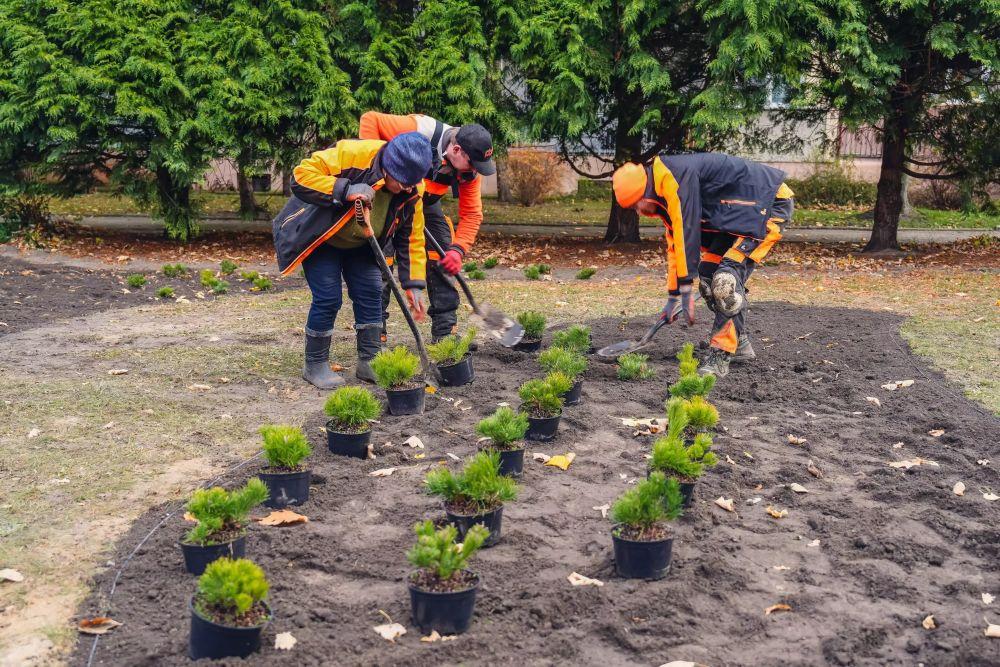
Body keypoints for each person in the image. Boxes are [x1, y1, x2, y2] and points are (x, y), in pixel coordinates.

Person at [611, 153, 795, 378]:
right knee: (707, 276)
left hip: (768, 204)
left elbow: (686, 228)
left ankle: (721, 354)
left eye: (635, 205)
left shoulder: (673, 178)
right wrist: (673, 295)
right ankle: (741, 343)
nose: (639, 211)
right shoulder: (664, 192)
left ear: (643, 192)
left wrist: (685, 288)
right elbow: (675, 243)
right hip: (739, 215)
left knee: (725, 281)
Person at [272, 132, 433, 389]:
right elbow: (301, 175)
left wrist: (413, 283)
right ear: (388, 168)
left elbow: (412, 237)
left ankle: (369, 360)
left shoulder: (413, 188)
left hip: (364, 243)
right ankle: (315, 364)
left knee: (371, 292)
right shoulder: (353, 154)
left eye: (412, 183)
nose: (407, 189)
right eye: (403, 182)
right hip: (323, 237)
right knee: (328, 297)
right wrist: (344, 189)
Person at [358, 111, 495, 342]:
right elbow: (370, 119)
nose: (475, 170)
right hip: (390, 194)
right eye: (473, 164)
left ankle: (445, 333)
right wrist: (376, 169)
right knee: (383, 258)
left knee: (443, 248)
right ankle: (374, 334)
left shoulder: (469, 171)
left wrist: (458, 249)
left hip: (425, 202)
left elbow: (472, 213)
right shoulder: (419, 128)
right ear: (456, 150)